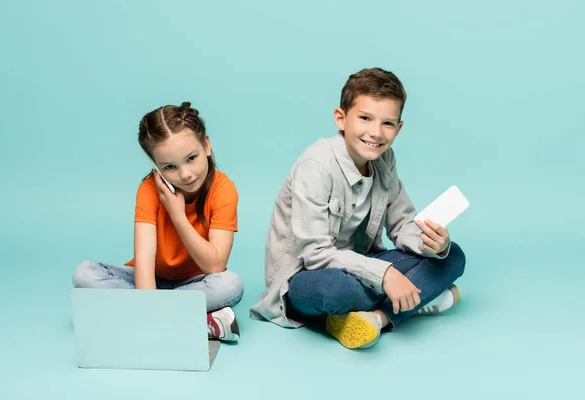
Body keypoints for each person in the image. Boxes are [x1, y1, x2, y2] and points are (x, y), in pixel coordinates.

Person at [250, 68, 466, 349]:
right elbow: (316, 255)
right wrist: (386, 275)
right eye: (365, 118)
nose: (375, 133)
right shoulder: (315, 166)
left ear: (398, 128)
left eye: (387, 123)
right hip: (307, 279)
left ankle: (378, 319)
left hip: (359, 264)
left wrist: (432, 244)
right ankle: (418, 297)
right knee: (338, 291)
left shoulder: (384, 159)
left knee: (452, 256)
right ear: (341, 118)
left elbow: (402, 224)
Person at [73, 101, 243, 341]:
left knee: (230, 284)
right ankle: (193, 321)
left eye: (191, 158)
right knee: (84, 273)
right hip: (148, 280)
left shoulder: (223, 189)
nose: (185, 174)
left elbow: (214, 266)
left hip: (196, 281)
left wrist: (177, 215)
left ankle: (134, 317)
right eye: (170, 167)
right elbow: (144, 261)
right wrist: (148, 301)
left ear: (206, 145)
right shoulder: (149, 190)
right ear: (156, 166)